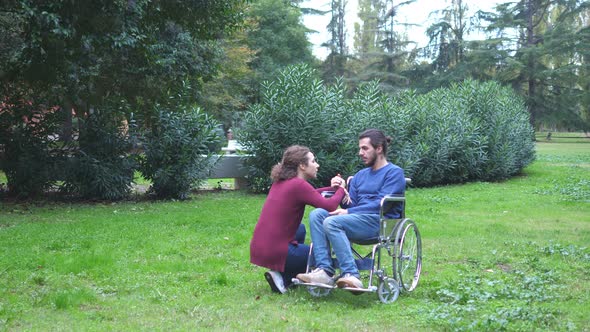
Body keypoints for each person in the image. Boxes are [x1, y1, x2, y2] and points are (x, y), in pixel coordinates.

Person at [296, 129, 406, 291]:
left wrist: (349, 212)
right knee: (317, 214)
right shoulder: (360, 175)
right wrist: (341, 190)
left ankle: (351, 274)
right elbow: (350, 204)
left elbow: (382, 204)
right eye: (360, 148)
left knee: (332, 222)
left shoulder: (394, 173)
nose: (360, 152)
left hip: (379, 222)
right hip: (356, 221)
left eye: (364, 148)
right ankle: (324, 271)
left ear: (379, 148)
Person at [250, 145, 348, 294]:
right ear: (302, 165)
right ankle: (283, 277)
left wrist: (332, 189)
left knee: (300, 229)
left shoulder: (282, 182)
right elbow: (330, 205)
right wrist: (342, 189)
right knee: (323, 256)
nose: (317, 165)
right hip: (277, 251)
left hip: (260, 248)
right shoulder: (299, 185)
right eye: (313, 161)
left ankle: (280, 274)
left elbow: (312, 193)